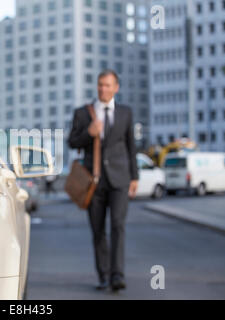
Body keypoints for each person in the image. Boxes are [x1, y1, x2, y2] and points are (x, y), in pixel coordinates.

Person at [67, 70, 139, 292]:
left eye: (108, 85)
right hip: (93, 182)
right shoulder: (83, 113)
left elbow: (130, 146)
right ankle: (104, 276)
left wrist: (135, 177)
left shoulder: (126, 113)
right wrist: (88, 132)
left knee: (118, 225)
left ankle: (117, 274)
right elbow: (71, 142)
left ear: (116, 87)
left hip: (120, 179)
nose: (103, 89)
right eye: (100, 85)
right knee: (98, 230)